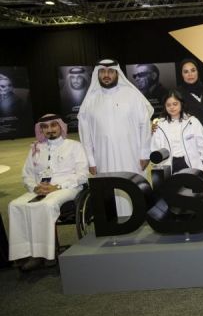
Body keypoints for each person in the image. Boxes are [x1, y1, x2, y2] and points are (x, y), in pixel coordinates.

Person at [8, 114, 88, 271]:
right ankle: (26, 253)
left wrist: (57, 186)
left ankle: (47, 254)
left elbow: (83, 175)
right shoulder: (36, 149)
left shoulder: (74, 146)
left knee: (46, 205)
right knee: (14, 205)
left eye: (53, 125)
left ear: (60, 126)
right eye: (45, 127)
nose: (50, 129)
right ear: (41, 130)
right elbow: (27, 174)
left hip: (67, 188)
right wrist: (34, 187)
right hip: (41, 188)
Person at [77, 59, 153, 217]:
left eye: (110, 71)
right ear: (97, 74)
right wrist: (90, 160)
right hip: (103, 158)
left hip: (131, 155)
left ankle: (138, 220)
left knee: (133, 188)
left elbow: (144, 125)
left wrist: (144, 153)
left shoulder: (132, 95)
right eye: (102, 72)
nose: (106, 75)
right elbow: (85, 134)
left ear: (117, 73)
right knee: (108, 191)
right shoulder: (90, 100)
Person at [151, 90, 203, 174]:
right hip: (169, 166)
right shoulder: (160, 125)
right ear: (165, 107)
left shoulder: (192, 122)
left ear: (181, 104)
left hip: (191, 164)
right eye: (168, 105)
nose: (172, 107)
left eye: (175, 104)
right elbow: (155, 148)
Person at [177, 58, 203, 141]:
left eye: (193, 70)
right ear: (181, 74)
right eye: (186, 72)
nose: (190, 74)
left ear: (198, 72)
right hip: (189, 141)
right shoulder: (178, 93)